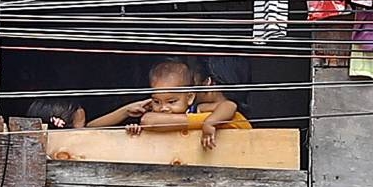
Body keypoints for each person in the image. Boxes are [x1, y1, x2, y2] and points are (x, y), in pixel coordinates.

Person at [89, 59, 251, 149]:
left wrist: (209, 123)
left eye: (172, 101)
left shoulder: (201, 112)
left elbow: (230, 106)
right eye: (157, 101)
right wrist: (127, 113)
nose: (164, 108)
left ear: (189, 97)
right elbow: (89, 129)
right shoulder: (158, 110)